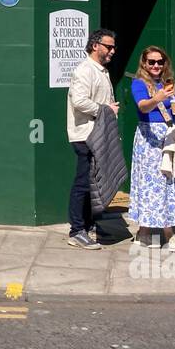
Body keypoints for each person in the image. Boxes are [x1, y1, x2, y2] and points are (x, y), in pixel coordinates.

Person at [128, 46, 175, 251]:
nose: (156, 65)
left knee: (170, 183)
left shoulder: (167, 84)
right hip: (148, 139)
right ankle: (144, 231)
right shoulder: (139, 83)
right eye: (151, 62)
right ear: (144, 64)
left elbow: (170, 112)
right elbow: (143, 107)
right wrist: (158, 98)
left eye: (160, 62)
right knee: (149, 185)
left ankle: (167, 232)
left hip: (167, 137)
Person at [65, 28, 119, 249]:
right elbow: (79, 101)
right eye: (109, 46)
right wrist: (105, 109)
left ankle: (88, 225)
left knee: (94, 183)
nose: (112, 51)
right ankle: (77, 230)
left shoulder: (101, 71)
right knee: (83, 184)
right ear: (95, 45)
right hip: (86, 135)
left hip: (99, 134)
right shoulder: (85, 70)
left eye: (114, 47)